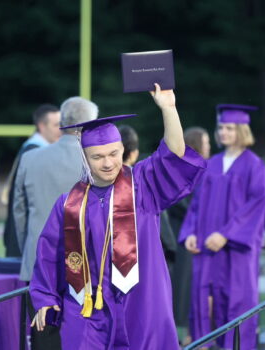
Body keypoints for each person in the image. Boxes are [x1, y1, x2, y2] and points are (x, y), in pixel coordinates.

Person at [29, 84, 206, 350]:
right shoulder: (68, 204)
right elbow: (49, 254)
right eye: (97, 157)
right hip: (89, 310)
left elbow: (173, 155)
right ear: (85, 158)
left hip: (141, 302)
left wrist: (169, 109)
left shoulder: (143, 185)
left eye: (114, 153)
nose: (108, 163)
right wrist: (45, 298)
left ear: (123, 150)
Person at [180, 104, 265, 350]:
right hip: (208, 247)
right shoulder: (212, 164)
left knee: (237, 301)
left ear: (242, 130)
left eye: (229, 128)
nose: (223, 132)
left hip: (236, 251)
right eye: (221, 127)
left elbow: (256, 205)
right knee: (202, 300)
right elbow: (196, 204)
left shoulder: (254, 165)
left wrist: (226, 234)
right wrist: (190, 233)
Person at [13, 97, 98, 350]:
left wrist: (29, 249)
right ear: (90, 123)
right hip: (87, 264)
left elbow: (19, 213)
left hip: (37, 263)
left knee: (42, 338)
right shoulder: (95, 162)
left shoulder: (31, 158)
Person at [169, 126, 211, 345]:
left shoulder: (198, 169)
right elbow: (185, 202)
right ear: (196, 145)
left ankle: (191, 333)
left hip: (191, 232)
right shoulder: (184, 169)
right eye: (206, 143)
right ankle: (182, 334)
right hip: (182, 233)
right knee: (183, 285)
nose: (210, 147)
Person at [2, 104, 61, 257]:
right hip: (27, 233)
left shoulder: (33, 150)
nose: (60, 129)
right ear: (42, 126)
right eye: (56, 125)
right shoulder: (34, 151)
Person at [119, 124, 177, 276]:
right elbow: (166, 237)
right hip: (145, 268)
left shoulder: (95, 188)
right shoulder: (144, 186)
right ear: (134, 154)